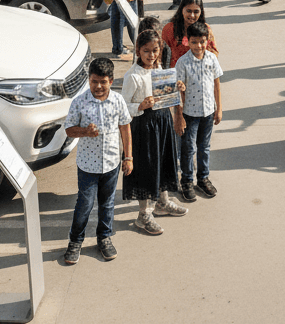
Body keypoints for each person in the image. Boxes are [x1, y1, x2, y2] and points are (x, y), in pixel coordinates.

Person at [62, 57, 133, 264]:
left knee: (107, 204)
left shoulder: (118, 101)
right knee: (84, 204)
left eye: (103, 81)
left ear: (111, 80)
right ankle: (75, 241)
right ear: (89, 80)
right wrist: (84, 131)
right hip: (87, 166)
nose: (98, 86)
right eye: (94, 81)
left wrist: (128, 157)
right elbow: (69, 129)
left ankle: (104, 237)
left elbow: (125, 128)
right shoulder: (80, 102)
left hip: (111, 164)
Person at [121, 29, 187, 235]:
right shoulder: (132, 76)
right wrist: (139, 106)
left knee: (163, 161)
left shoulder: (159, 68)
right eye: (146, 51)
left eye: (155, 50)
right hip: (143, 127)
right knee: (146, 167)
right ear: (138, 51)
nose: (151, 55)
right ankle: (143, 215)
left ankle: (163, 203)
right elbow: (122, 107)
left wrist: (177, 88)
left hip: (162, 121)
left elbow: (166, 95)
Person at [174, 21, 223, 202]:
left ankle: (203, 178)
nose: (198, 46)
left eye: (202, 41)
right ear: (188, 41)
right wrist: (179, 116)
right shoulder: (182, 63)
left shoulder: (212, 59)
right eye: (194, 42)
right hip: (189, 114)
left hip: (208, 113)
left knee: (205, 147)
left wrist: (219, 109)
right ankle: (186, 181)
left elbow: (217, 85)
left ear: (207, 41)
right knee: (188, 149)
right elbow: (178, 91)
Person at [161, 0, 219, 67]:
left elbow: (213, 53)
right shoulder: (169, 28)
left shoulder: (206, 29)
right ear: (182, 10)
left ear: (201, 12)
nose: (192, 15)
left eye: (196, 12)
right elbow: (161, 51)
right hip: (177, 73)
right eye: (188, 11)